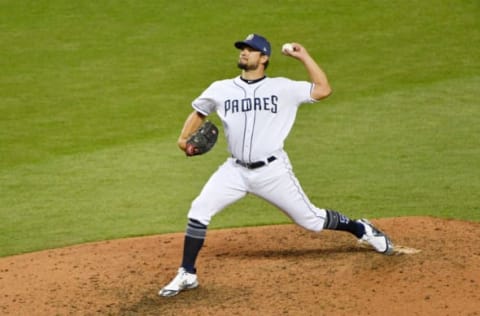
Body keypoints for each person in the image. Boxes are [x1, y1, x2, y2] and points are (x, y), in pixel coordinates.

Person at [159, 33, 394, 297]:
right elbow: (199, 111)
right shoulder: (221, 88)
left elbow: (323, 89)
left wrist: (303, 56)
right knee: (199, 209)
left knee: (312, 220)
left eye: (251, 50)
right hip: (234, 170)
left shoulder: (283, 88)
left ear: (264, 58)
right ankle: (187, 273)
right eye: (242, 49)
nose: (244, 52)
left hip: (272, 171)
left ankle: (360, 228)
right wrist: (182, 140)